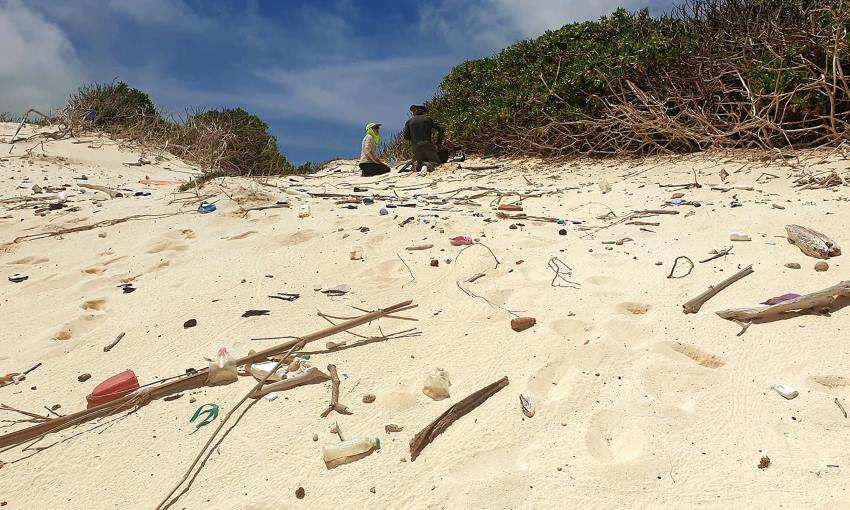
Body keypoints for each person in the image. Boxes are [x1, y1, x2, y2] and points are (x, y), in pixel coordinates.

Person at [403, 104, 446, 172]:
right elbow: (441, 129)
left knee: (417, 165)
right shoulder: (428, 119)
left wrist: (415, 138)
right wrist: (438, 143)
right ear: (423, 112)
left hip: (416, 149)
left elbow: (406, 137)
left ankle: (418, 165)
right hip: (428, 147)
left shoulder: (409, 122)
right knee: (438, 163)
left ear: (415, 112)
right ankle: (427, 164)